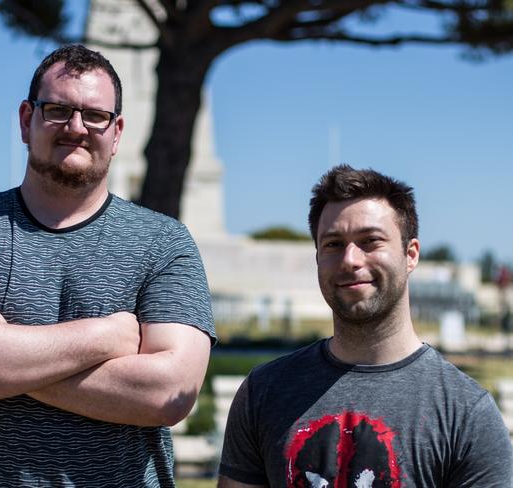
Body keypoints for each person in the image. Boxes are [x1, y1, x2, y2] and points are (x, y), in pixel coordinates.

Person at [0, 44, 216, 487]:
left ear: (117, 131)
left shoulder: (164, 242)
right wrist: (105, 336)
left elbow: (168, 393)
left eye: (95, 115)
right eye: (58, 110)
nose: (76, 127)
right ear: (26, 120)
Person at [218, 165, 512, 487]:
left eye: (370, 240)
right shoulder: (264, 391)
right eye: (333, 244)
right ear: (317, 256)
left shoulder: (465, 411)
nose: (350, 260)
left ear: (410, 254)